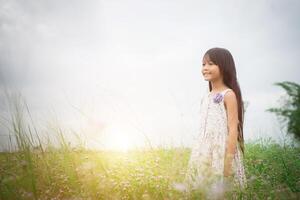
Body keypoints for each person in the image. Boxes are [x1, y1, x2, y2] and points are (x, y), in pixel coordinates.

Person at [180, 47, 248, 199]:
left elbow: (232, 130)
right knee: (201, 191)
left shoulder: (228, 95)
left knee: (221, 193)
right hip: (203, 151)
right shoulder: (207, 96)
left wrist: (228, 162)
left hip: (221, 152)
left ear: (223, 67)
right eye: (203, 64)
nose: (205, 68)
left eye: (210, 64)